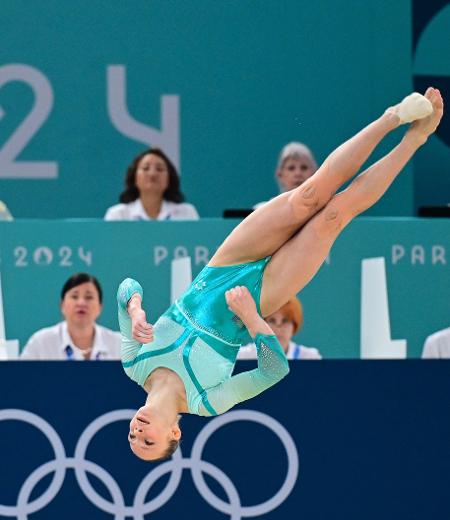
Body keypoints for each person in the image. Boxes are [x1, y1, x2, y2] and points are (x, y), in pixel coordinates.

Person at [117, 88, 443, 461]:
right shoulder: (207, 401)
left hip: (225, 264)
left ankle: (392, 117)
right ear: (175, 432)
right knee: (334, 216)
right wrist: (253, 319)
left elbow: (127, 287)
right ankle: (414, 139)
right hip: (261, 297)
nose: (137, 433)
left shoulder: (134, 363)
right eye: (148, 442)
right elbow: (273, 371)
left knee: (309, 196)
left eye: (132, 438)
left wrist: (137, 310)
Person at [21, 273, 121, 360]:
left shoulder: (119, 344)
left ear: (100, 307)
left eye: (89, 297)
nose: (81, 303)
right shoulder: (41, 342)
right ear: (62, 305)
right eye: (74, 296)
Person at [104, 147, 199, 221]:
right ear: (134, 178)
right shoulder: (118, 215)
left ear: (169, 179)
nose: (152, 174)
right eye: (145, 168)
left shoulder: (187, 213)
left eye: (160, 169)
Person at [237, 297, 321, 359]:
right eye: (272, 320)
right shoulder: (243, 357)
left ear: (294, 325)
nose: (278, 328)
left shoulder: (310, 358)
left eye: (285, 321)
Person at [253, 141, 318, 209]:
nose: (298, 173)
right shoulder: (260, 210)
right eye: (291, 168)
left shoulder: (326, 210)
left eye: (304, 168)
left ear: (315, 173)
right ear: (280, 175)